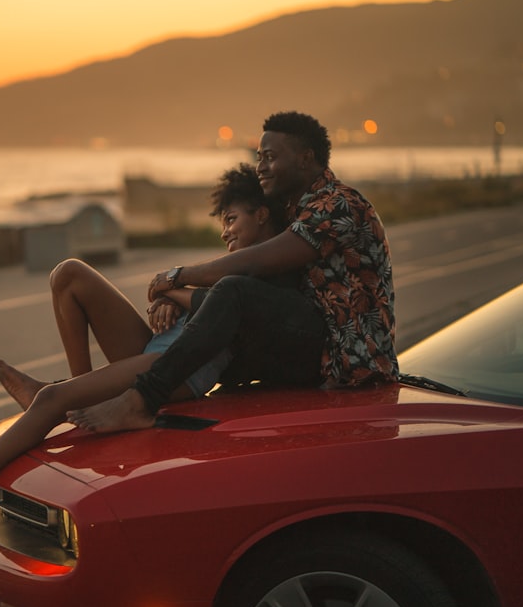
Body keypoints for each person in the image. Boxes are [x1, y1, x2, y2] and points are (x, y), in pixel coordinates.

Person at [0, 164, 288, 517]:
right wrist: (169, 297)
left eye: (232, 219)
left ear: (262, 214)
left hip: (177, 373)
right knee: (69, 273)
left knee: (49, 401)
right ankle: (78, 391)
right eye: (223, 223)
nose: (225, 232)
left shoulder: (267, 271)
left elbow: (216, 302)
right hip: (155, 350)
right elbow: (189, 295)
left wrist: (172, 291)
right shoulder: (233, 265)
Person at [68, 110, 398, 433]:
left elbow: (253, 264)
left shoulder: (338, 205)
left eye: (270, 157)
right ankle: (86, 394)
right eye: (259, 157)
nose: (261, 167)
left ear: (305, 158)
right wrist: (177, 298)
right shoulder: (295, 209)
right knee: (222, 323)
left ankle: (140, 400)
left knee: (232, 293)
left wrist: (179, 277)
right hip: (312, 349)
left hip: (349, 361)